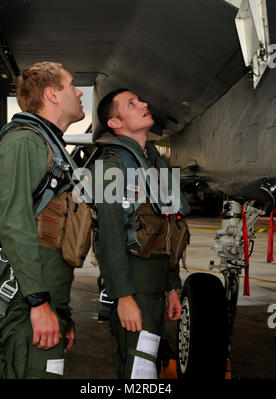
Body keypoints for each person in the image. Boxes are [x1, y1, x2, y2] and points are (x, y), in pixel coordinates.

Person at [0, 61, 85, 379]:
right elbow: (15, 223)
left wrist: (61, 314)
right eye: (71, 85)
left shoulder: (50, 147)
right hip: (27, 301)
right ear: (52, 94)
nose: (79, 91)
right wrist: (40, 305)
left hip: (44, 301)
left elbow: (53, 235)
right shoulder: (26, 142)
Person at [93, 88, 183, 379]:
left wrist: (172, 286)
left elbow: (168, 229)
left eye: (140, 100)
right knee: (138, 373)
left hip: (155, 288)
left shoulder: (155, 162)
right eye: (131, 104)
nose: (144, 103)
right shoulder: (110, 167)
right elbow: (108, 239)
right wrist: (124, 297)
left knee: (149, 368)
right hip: (134, 288)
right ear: (115, 123)